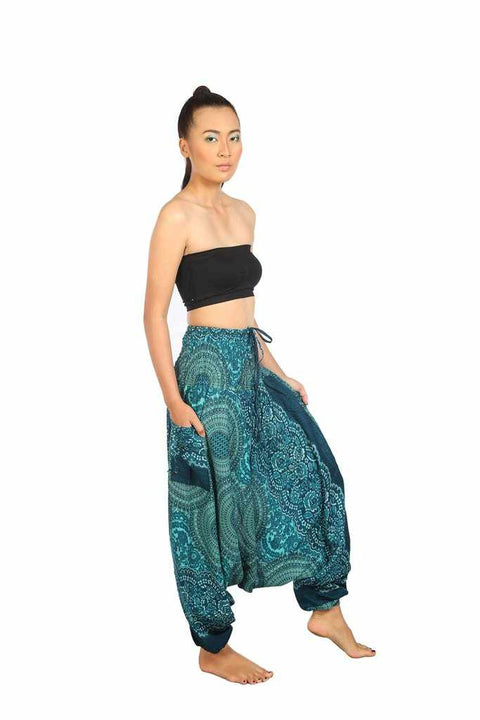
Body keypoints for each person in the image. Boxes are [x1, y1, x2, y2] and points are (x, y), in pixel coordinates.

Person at [143, 85, 376, 685]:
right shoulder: (176, 216)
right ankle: (213, 646)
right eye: (211, 137)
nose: (225, 149)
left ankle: (325, 608)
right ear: (185, 146)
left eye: (235, 137)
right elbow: (154, 314)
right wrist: (172, 399)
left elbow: (245, 311)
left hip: (250, 365)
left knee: (315, 472)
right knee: (206, 506)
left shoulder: (244, 213)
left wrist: (277, 368)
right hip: (205, 375)